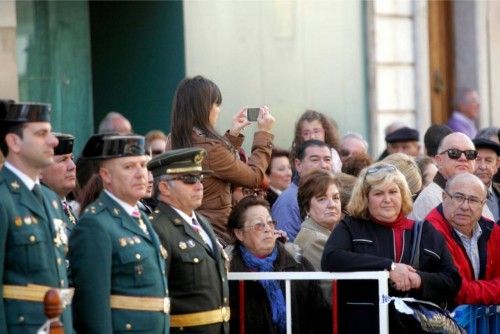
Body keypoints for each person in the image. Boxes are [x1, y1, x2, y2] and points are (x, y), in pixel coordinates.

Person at [321, 162, 460, 333]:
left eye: (393, 192)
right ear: (365, 198)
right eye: (378, 193)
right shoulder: (350, 226)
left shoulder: (426, 231)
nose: (387, 199)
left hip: (416, 328)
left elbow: (452, 280)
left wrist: (419, 280)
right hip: (364, 325)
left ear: (402, 195)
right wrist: (389, 267)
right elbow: (331, 258)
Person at [69, 133, 169, 333]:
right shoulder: (95, 224)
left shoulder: (138, 216)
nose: (141, 173)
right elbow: (92, 307)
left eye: (143, 165)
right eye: (129, 167)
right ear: (106, 175)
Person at [169, 75, 275, 245]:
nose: (219, 110)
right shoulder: (209, 149)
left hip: (189, 232)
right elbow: (254, 177)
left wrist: (232, 136)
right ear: (204, 108)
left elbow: (216, 164)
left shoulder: (174, 140)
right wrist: (264, 133)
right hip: (216, 235)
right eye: (216, 104)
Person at [0, 101, 73, 333]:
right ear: (14, 142)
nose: (53, 141)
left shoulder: (51, 200)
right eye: (42, 133)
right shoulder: (3, 199)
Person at [147, 147, 230, 333]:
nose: (199, 185)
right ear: (164, 187)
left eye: (200, 178)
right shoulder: (158, 228)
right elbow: (155, 298)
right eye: (189, 179)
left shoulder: (201, 222)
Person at [227, 196, 330, 334]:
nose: (267, 229)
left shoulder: (297, 263)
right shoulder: (229, 272)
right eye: (259, 225)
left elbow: (319, 314)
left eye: (270, 223)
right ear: (239, 233)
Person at [425, 173, 500, 304]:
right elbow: (458, 290)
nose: (465, 206)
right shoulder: (431, 232)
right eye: (458, 197)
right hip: (446, 321)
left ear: (483, 204)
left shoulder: (492, 230)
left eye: (473, 200)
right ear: (444, 197)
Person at [410, 132, 494, 221]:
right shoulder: (430, 199)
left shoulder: (477, 195)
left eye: (470, 154)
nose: (463, 158)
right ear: (439, 161)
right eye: (454, 153)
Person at [295, 169, 341, 304]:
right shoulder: (315, 239)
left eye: (336, 198)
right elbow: (329, 294)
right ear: (307, 208)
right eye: (322, 199)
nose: (332, 204)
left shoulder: (326, 233)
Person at [272, 140, 332, 241]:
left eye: (327, 160)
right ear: (298, 165)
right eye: (315, 160)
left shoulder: (331, 195)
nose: (323, 165)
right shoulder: (289, 202)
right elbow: (288, 248)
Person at [40, 133, 78, 235]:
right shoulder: (39, 211)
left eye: (72, 159)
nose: (72, 166)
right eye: (63, 160)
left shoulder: (67, 208)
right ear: (39, 170)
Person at [472, 138, 500, 221]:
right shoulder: (456, 194)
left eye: (488, 160)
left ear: (497, 164)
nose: (483, 166)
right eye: (477, 160)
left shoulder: (497, 192)